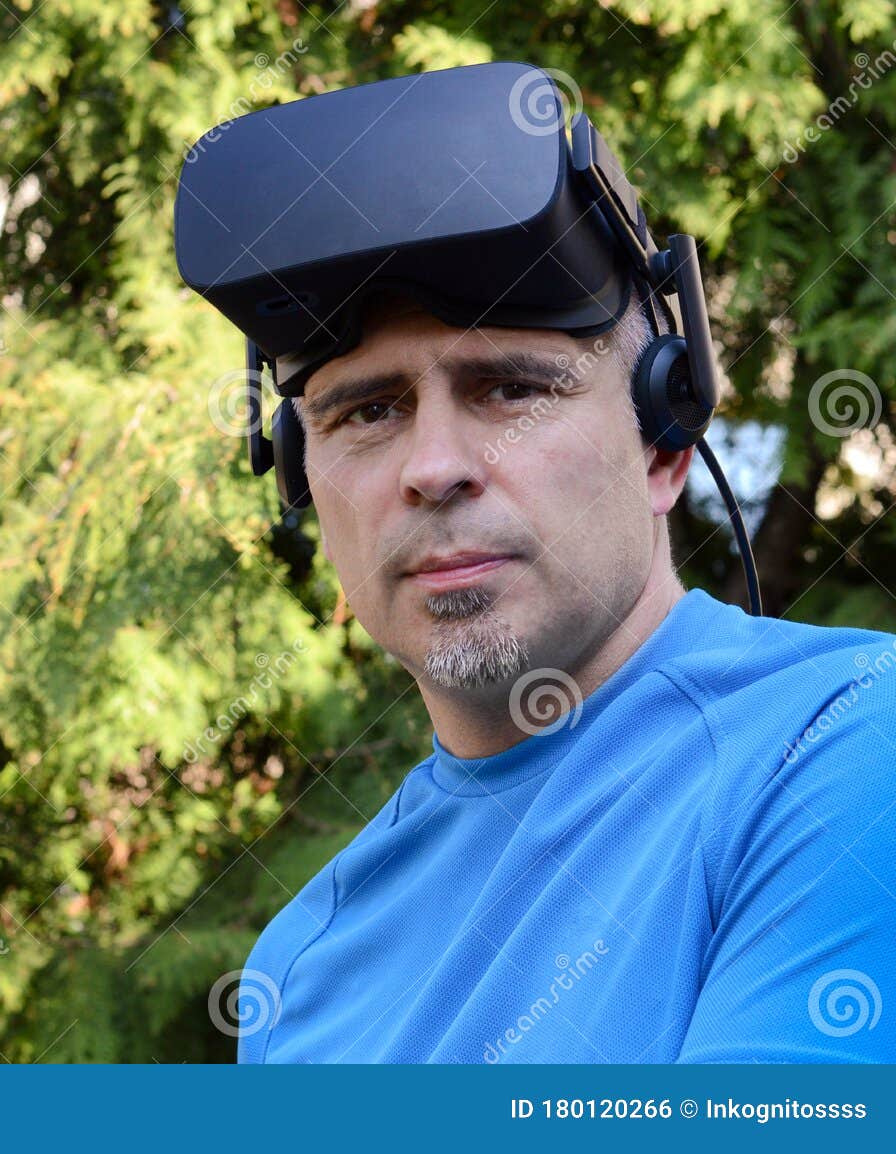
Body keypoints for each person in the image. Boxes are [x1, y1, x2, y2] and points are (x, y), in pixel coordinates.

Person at [234, 270, 896, 1063]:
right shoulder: (296, 970)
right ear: (301, 477)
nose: (434, 469)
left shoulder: (849, 738)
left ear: (663, 447)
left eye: (513, 390)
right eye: (369, 411)